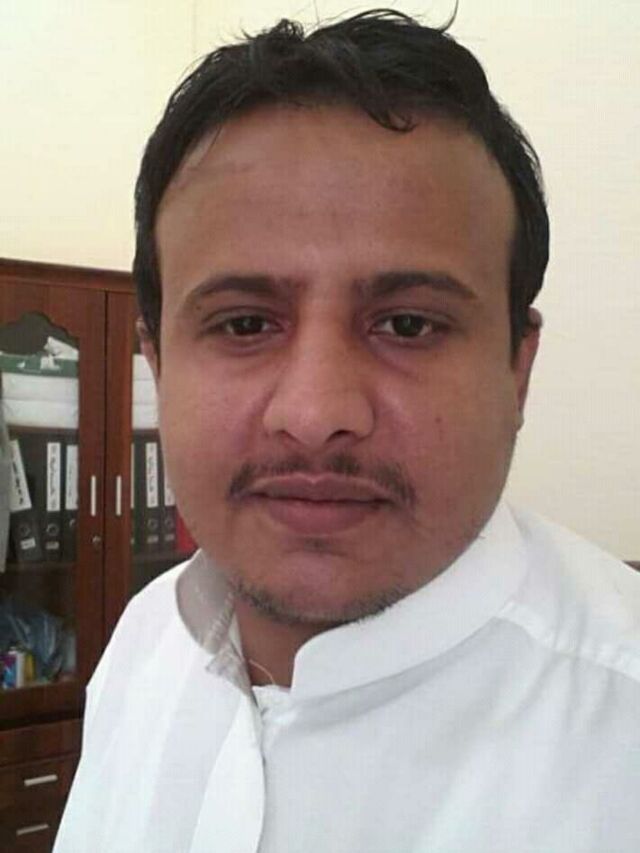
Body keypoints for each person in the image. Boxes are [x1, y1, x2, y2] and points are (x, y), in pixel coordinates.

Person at [54, 9, 640, 853]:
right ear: (157, 362)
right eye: (244, 323)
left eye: (407, 324)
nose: (315, 413)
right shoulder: (143, 647)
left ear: (518, 368)